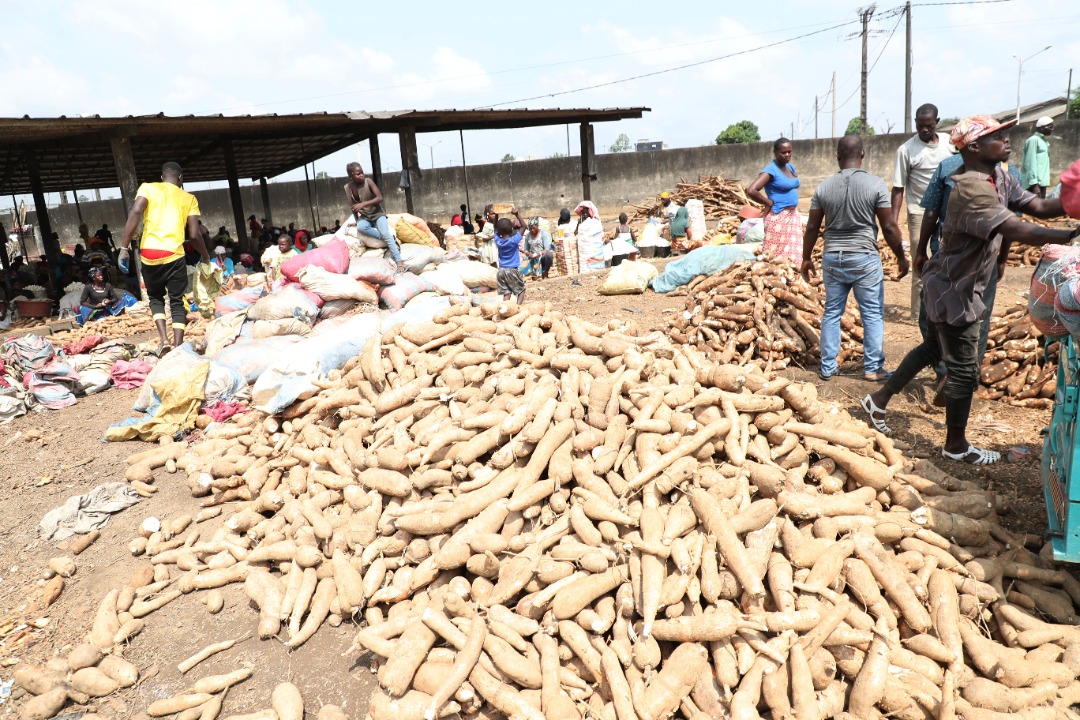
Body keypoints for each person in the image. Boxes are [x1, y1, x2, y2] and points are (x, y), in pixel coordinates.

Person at [863, 115, 1079, 465]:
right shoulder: (970, 187)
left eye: (1005, 133)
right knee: (964, 370)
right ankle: (956, 445)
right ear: (974, 147)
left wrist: (1071, 198)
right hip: (954, 288)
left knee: (933, 348)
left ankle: (878, 400)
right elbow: (1016, 229)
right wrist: (1070, 235)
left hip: (954, 281)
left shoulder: (999, 177)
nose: (1006, 139)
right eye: (997, 136)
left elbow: (1038, 206)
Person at [801, 135, 909, 382]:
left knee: (832, 311)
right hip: (864, 257)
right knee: (871, 313)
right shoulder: (875, 185)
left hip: (832, 257)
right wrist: (901, 257)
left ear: (837, 156)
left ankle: (828, 367)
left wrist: (806, 258)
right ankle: (873, 368)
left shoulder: (823, 187)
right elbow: (889, 226)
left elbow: (812, 227)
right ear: (862, 154)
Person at [120, 161, 208, 353]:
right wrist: (206, 256)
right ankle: (178, 346)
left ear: (162, 177)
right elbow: (194, 235)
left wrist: (123, 247)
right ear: (181, 178)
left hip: (148, 254)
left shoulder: (147, 188)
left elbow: (136, 212)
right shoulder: (189, 198)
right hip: (173, 254)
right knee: (177, 300)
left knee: (155, 297)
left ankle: (164, 340)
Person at [891, 103, 955, 319]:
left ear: (937, 122)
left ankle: (943, 310)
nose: (924, 129)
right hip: (919, 212)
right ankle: (918, 314)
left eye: (929, 125)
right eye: (920, 126)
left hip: (946, 212)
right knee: (921, 261)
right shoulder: (906, 150)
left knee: (947, 261)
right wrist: (893, 222)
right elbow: (898, 187)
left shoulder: (949, 144)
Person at [745, 138, 802, 262]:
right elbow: (751, 190)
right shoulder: (770, 170)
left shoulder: (789, 167)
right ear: (775, 152)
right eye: (783, 152)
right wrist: (768, 202)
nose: (787, 155)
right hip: (779, 218)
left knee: (794, 257)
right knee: (774, 256)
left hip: (793, 216)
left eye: (789, 151)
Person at [344, 162, 404, 272]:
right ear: (350, 175)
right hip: (365, 217)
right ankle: (389, 239)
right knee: (361, 228)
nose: (361, 175)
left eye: (362, 172)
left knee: (385, 232)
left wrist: (363, 204)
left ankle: (399, 261)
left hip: (377, 214)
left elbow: (380, 198)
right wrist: (357, 220)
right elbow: (353, 207)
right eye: (358, 174)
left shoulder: (368, 181)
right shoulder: (348, 188)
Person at [494, 207, 527, 303]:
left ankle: (506, 307)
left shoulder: (498, 241)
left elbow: (495, 228)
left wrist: (496, 215)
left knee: (506, 293)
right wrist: (516, 214)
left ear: (499, 231)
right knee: (521, 290)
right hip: (512, 270)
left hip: (501, 271)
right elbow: (524, 226)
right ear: (512, 229)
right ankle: (517, 307)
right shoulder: (513, 241)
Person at [1021, 116, 1054, 198]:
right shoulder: (1033, 140)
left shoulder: (1043, 141)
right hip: (1035, 184)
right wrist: (1034, 184)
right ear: (1042, 127)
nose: (1052, 129)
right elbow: (1030, 162)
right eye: (1050, 127)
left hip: (1042, 183)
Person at [574, 201, 606, 273]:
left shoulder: (595, 221)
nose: (585, 214)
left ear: (589, 212)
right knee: (585, 265)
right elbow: (575, 232)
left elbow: (600, 232)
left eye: (586, 212)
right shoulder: (580, 221)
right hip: (584, 247)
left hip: (594, 246)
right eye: (584, 213)